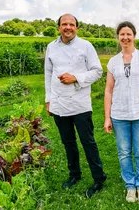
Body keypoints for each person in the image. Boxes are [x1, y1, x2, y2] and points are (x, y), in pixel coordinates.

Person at [44, 13, 106, 198]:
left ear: (77, 28)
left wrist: (76, 78)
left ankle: (99, 178)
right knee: (68, 142)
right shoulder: (51, 47)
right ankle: (74, 175)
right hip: (59, 104)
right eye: (64, 24)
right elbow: (47, 74)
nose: (68, 27)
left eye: (71, 24)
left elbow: (98, 71)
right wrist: (49, 100)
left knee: (88, 142)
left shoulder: (86, 46)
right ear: (59, 27)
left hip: (80, 104)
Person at [104, 21, 139, 203]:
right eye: (122, 34)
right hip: (119, 115)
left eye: (128, 34)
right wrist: (107, 117)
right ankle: (130, 185)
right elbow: (108, 91)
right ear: (118, 37)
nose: (125, 38)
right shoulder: (112, 62)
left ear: (134, 36)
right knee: (124, 152)